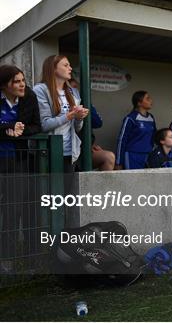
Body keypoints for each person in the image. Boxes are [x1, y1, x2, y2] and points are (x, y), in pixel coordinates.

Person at [0, 65, 41, 268]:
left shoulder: (29, 97)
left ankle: (9, 259)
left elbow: (37, 125)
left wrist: (21, 130)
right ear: (4, 84)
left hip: (17, 162)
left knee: (13, 210)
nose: (22, 84)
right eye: (16, 81)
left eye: (23, 79)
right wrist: (7, 128)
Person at [34, 55, 88, 184]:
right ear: (53, 69)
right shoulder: (40, 90)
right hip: (47, 151)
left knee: (66, 194)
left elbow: (76, 128)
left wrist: (79, 118)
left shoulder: (73, 91)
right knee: (48, 194)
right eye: (66, 65)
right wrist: (69, 115)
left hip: (70, 151)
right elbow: (44, 124)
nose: (70, 68)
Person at [68, 79, 115, 171]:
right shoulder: (61, 103)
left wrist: (86, 104)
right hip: (68, 149)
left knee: (108, 157)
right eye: (71, 89)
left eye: (75, 89)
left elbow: (98, 123)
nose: (74, 92)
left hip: (84, 148)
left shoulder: (82, 102)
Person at [115, 91, 156, 170]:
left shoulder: (151, 118)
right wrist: (118, 161)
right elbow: (121, 140)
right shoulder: (130, 118)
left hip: (148, 155)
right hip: (132, 155)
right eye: (147, 99)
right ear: (139, 103)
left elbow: (154, 137)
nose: (151, 100)